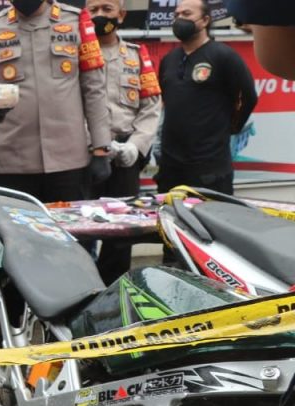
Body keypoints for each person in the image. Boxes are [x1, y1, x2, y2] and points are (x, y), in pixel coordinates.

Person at [0, 0, 112, 203]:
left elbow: (94, 90)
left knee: (71, 232)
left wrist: (101, 148)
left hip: (69, 162)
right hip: (12, 164)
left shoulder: (76, 22)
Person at [85, 0, 162, 283]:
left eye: (107, 9)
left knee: (121, 233)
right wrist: (96, 143)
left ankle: (114, 292)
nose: (100, 15)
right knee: (82, 227)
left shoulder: (137, 55)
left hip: (125, 156)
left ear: (122, 14)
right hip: (85, 155)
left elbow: (152, 106)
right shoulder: (74, 54)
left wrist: (135, 146)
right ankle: (84, 289)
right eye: (93, 10)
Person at [156, 0, 257, 195]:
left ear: (205, 20)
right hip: (171, 166)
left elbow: (249, 96)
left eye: (186, 14)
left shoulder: (224, 56)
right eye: (176, 15)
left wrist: (232, 127)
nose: (179, 19)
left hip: (209, 166)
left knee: (211, 221)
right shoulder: (169, 60)